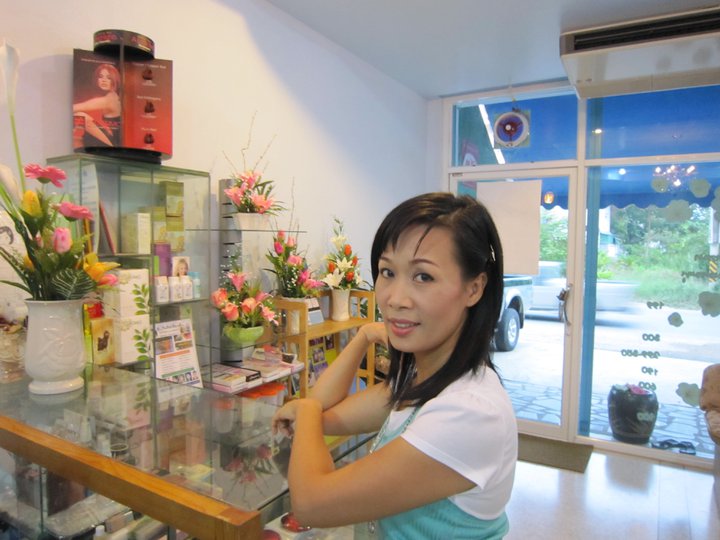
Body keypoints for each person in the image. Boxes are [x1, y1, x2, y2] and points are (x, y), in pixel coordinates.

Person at [272, 192, 517, 538]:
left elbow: (312, 504)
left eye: (423, 277)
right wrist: (363, 336)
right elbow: (324, 413)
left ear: (474, 288)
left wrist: (306, 410)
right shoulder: (424, 380)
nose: (394, 298)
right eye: (387, 272)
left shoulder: (471, 412)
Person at [73, 63, 122, 147]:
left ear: (115, 80)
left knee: (80, 116)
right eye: (100, 76)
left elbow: (75, 108)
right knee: (79, 130)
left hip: (115, 144)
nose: (104, 80)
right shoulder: (112, 96)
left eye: (109, 77)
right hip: (113, 139)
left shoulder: (109, 100)